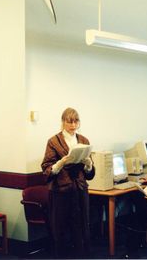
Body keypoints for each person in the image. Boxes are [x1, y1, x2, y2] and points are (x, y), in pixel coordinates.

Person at [41, 107, 95, 258]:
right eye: (69, 122)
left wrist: (89, 164)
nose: (73, 125)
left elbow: (90, 174)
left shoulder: (83, 140)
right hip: (61, 191)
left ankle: (82, 255)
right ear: (63, 122)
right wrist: (60, 163)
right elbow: (46, 169)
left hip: (80, 188)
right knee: (61, 229)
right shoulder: (53, 141)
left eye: (76, 121)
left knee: (82, 227)